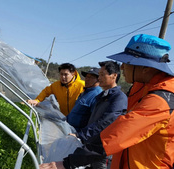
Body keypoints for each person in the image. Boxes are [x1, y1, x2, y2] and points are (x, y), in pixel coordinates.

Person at [41, 34, 174, 169]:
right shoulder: (143, 88)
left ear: (146, 68)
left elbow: (118, 134)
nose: (122, 68)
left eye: (127, 62)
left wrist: (67, 163)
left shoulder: (160, 101)